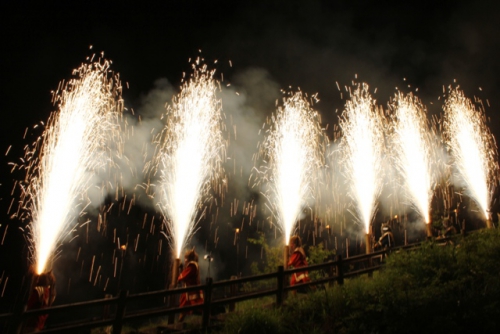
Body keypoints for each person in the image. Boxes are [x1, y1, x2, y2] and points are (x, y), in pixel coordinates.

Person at [177, 248, 204, 322]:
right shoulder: (194, 265)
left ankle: (208, 320)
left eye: (186, 258)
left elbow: (183, 277)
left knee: (198, 308)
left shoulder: (192, 266)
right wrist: (182, 269)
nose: (185, 260)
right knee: (184, 309)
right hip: (191, 292)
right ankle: (178, 324)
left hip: (191, 292)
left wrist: (179, 277)